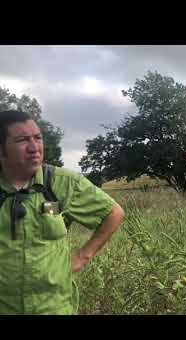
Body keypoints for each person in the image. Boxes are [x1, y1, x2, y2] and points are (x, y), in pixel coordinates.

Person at [0, 110, 124, 314]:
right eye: (22, 140)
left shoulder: (62, 183)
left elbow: (113, 213)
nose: (34, 148)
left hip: (54, 306)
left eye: (37, 138)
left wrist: (84, 256)